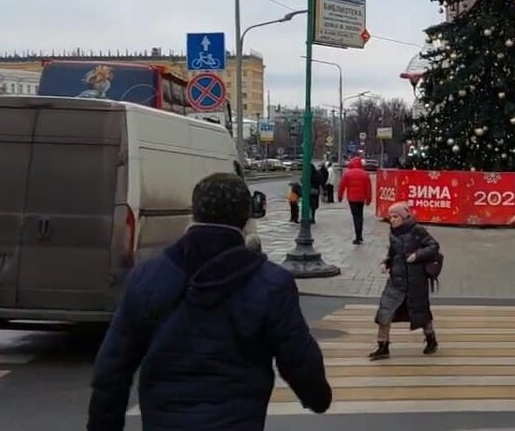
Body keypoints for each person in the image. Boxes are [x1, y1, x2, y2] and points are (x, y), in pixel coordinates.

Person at [87, 173, 332, 430]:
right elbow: (299, 359)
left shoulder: (150, 276)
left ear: (195, 212)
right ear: (245, 216)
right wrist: (317, 397)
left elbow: (112, 368)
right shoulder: (270, 283)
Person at [370, 203, 441, 361]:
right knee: (384, 312)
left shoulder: (417, 230)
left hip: (415, 283)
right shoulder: (393, 232)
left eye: (396, 217)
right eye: (391, 217)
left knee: (421, 314)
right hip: (396, 282)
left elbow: (434, 246)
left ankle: (431, 340)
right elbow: (393, 252)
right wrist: (386, 262)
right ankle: (383, 346)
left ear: (404, 217)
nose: (392, 220)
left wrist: (417, 255)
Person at [337, 156, 373, 245]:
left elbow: (342, 186)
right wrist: (368, 199)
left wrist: (340, 197)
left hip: (352, 198)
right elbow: (369, 188)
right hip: (361, 199)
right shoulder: (365, 174)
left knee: (355, 216)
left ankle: (357, 237)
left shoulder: (347, 174)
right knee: (360, 216)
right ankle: (360, 235)